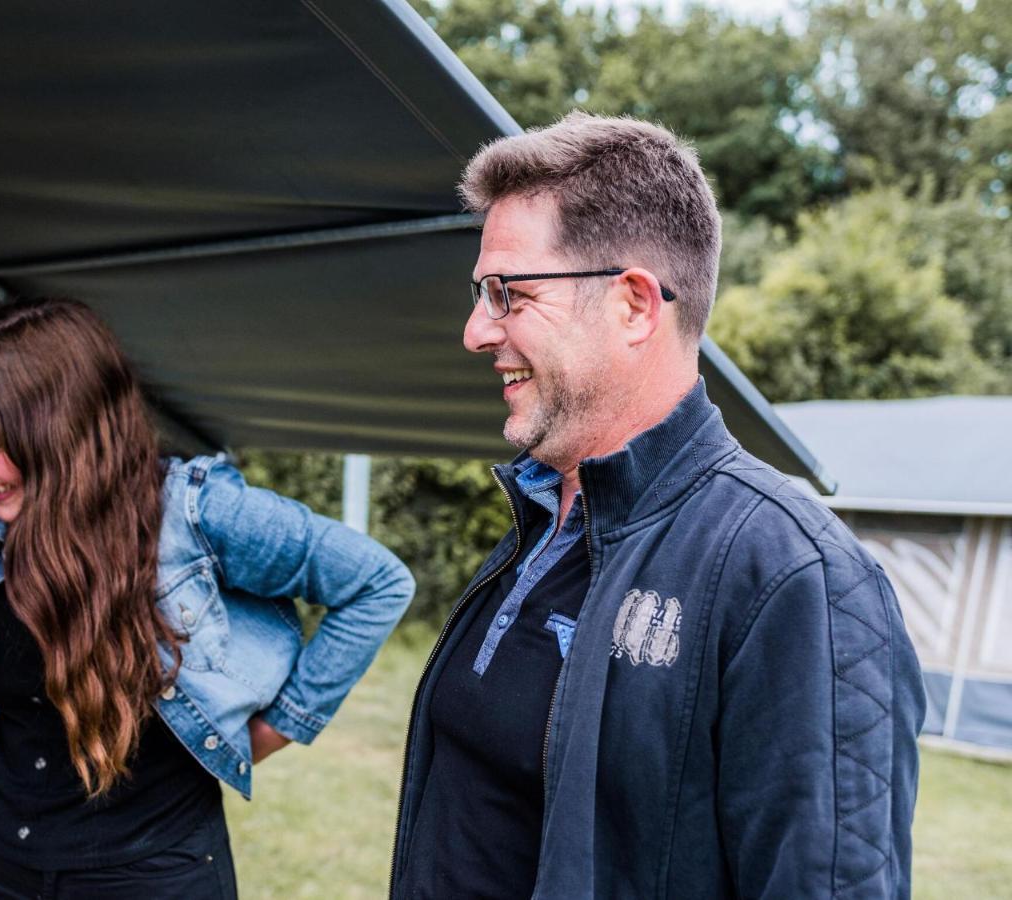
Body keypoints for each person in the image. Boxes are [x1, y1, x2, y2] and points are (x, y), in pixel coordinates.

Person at [390, 112, 925, 899]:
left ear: (635, 305)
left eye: (508, 293)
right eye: (480, 294)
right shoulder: (543, 521)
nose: (477, 330)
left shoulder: (793, 576)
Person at [0, 297, 414, 899]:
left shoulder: (195, 512)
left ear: (60, 430)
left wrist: (280, 726)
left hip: (151, 874)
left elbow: (377, 581)